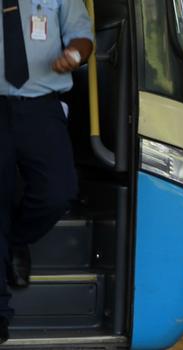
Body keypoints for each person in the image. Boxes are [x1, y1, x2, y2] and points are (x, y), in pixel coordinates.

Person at [0, 0, 93, 342]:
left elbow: (83, 38)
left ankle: (16, 240)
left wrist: (73, 56)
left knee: (58, 192)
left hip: (41, 109)